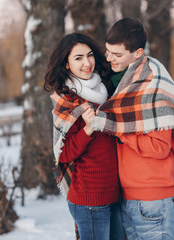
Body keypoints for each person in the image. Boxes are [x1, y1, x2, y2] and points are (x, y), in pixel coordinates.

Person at [91, 18, 174, 240]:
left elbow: (159, 147)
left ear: (138, 53)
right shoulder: (121, 85)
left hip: (156, 200)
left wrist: (116, 128)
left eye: (117, 55)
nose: (109, 59)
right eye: (107, 52)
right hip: (132, 198)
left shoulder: (152, 86)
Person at [44, 32, 125, 240]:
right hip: (90, 199)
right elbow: (63, 154)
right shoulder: (68, 100)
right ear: (66, 65)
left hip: (115, 193)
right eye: (78, 58)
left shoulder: (106, 91)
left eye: (89, 55)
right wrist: (88, 129)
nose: (87, 63)